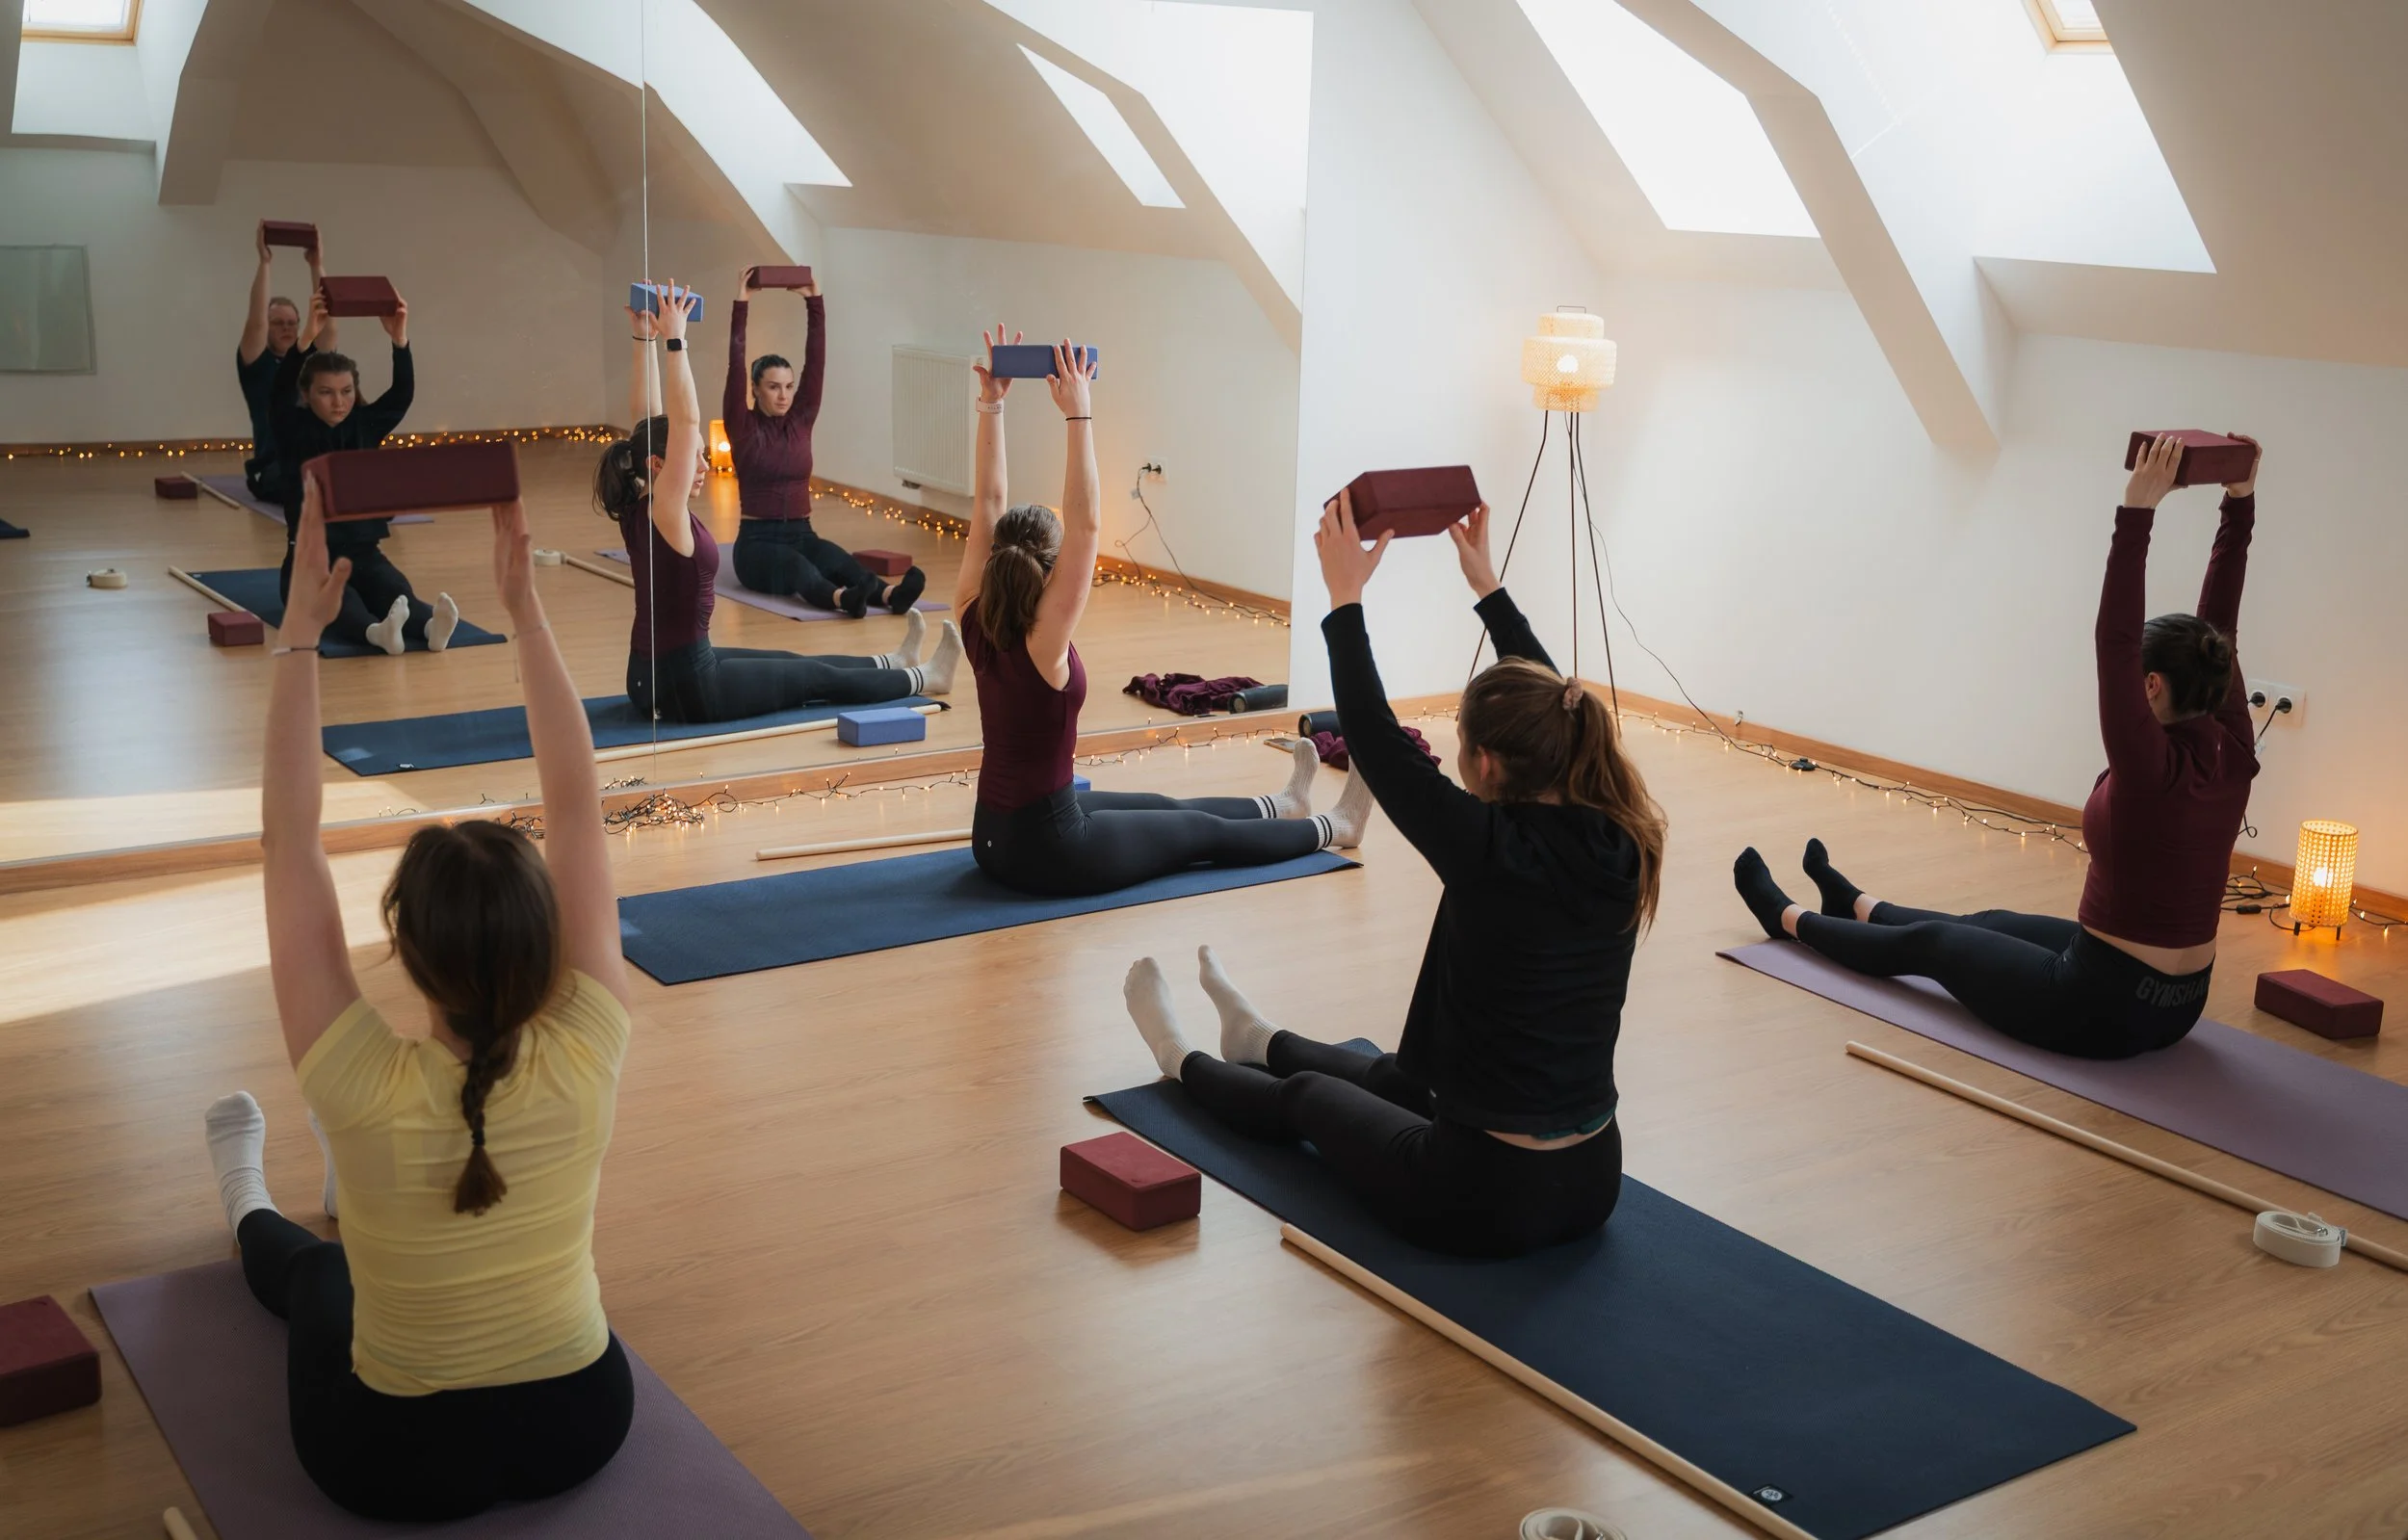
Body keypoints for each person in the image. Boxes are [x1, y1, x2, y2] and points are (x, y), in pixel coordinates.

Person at [199, 485, 634, 1521]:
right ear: (546, 947)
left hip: (392, 1463)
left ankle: (245, 1192)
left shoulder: (360, 1082)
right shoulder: (592, 1038)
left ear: (402, 950)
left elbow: (287, 845)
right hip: (583, 1424)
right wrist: (526, 612)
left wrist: (299, 639)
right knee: (367, 1240)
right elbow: (578, 808)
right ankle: (348, 1191)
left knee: (320, 1282)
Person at [1122, 492, 1662, 1258]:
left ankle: (1182, 1059)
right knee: (1396, 1079)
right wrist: (1489, 590)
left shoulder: (1487, 847)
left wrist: (1345, 598)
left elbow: (1377, 740)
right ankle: (1256, 1035)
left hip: (1482, 1195)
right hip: (1592, 1179)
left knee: (1311, 1100)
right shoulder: (1621, 833)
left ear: (1484, 764)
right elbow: (1552, 712)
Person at [1733, 432, 2263, 1059]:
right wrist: (2240, 501)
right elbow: (2221, 625)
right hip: (2180, 1003)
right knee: (1987, 924)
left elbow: (2114, 636)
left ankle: (1788, 918)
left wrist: (2137, 508)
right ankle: (1855, 903)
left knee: (1932, 946)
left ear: (2149, 686)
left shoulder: (2149, 765)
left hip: (2099, 1005)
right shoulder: (2235, 746)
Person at [957, 326, 1358, 898]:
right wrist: (1079, 416)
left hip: (995, 837)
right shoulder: (1043, 639)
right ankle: (1333, 828)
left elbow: (986, 505)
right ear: (1051, 570)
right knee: (1196, 834)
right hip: (1047, 852)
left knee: (1161, 806)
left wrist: (991, 406)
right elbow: (1087, 523)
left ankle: (1283, 803)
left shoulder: (973, 614)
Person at [603, 282, 954, 724]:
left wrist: (643, 339)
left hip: (651, 676)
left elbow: (647, 421)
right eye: (694, 457)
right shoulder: (666, 511)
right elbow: (685, 419)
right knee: (812, 679)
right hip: (686, 689)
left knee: (787, 658)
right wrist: (675, 341)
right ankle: (925, 678)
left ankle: (892, 662)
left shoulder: (642, 496)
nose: (705, 467)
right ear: (660, 464)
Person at [269, 287, 458, 656]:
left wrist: (399, 340)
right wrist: (306, 337)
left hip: (363, 551)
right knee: (339, 597)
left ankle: (432, 627)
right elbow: (277, 395)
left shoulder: (365, 425)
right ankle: (376, 633)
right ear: (306, 395)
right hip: (310, 558)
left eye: (346, 391)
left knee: (393, 589)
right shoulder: (292, 428)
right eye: (326, 392)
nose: (339, 401)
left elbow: (401, 395)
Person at [724, 271, 924, 617]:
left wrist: (814, 300)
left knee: (837, 559)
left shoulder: (802, 419)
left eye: (788, 386)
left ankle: (892, 595)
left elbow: (816, 361)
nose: (784, 394)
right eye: (773, 387)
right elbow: (735, 364)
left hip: (803, 532)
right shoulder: (742, 426)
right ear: (755, 389)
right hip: (756, 545)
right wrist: (741, 303)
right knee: (797, 568)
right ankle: (841, 600)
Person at [238, 221, 333, 502]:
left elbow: (329, 326)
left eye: (292, 323)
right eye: (277, 323)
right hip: (274, 467)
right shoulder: (257, 363)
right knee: (306, 486)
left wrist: (316, 265)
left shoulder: (308, 360)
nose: (287, 328)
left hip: (314, 459)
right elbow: (255, 322)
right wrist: (265, 262)